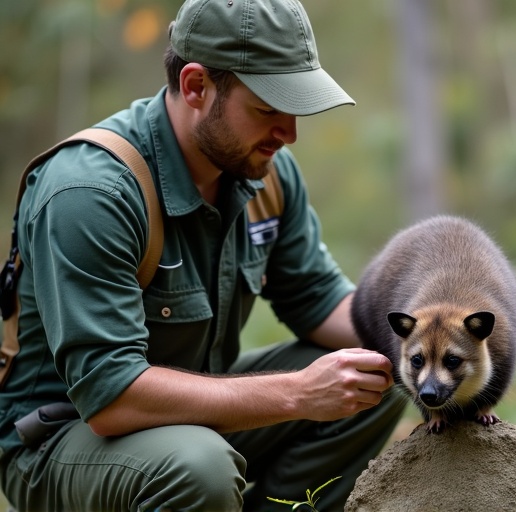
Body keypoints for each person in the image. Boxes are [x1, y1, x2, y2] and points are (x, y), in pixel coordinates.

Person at [0, 0, 404, 510]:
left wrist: (423, 342)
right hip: (64, 442)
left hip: (192, 423)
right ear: (195, 87)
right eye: (267, 108)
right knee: (199, 467)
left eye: (295, 109)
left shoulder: (265, 172)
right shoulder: (90, 192)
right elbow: (111, 395)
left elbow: (319, 300)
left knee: (373, 376)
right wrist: (298, 393)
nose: (288, 134)